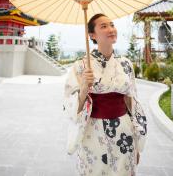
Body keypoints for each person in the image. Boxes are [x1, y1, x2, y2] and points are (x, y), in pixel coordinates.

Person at [63, 13, 147, 176]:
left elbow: (132, 103)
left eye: (112, 25)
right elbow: (70, 106)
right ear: (92, 35)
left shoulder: (125, 64)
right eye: (103, 26)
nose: (111, 29)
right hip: (93, 132)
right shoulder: (81, 66)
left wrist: (136, 142)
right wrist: (83, 89)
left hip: (124, 131)